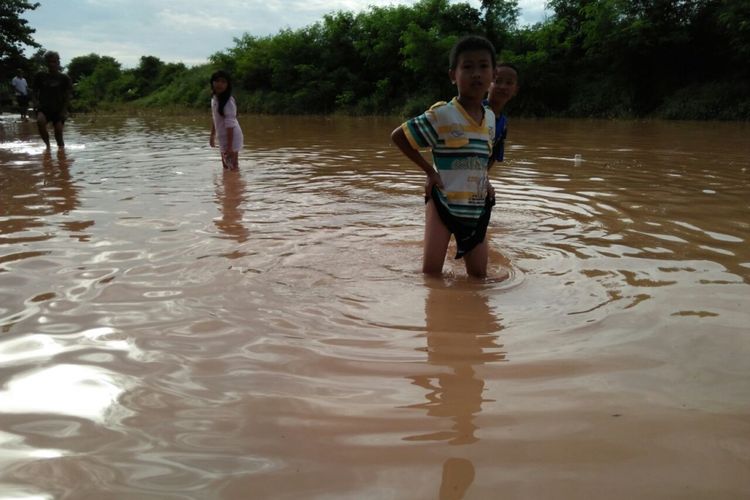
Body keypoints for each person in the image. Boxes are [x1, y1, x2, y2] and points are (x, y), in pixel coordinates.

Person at [391, 35, 498, 278]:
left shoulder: (490, 119)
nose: (476, 74)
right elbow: (399, 137)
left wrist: (487, 182)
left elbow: (481, 159)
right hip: (443, 203)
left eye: (483, 66)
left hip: (476, 209)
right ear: (453, 75)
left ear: (493, 75)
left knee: (479, 276)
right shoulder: (442, 115)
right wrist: (429, 171)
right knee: (431, 274)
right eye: (467, 67)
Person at [33, 51, 73, 148]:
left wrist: (64, 110)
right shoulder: (40, 76)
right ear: (46, 63)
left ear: (58, 62)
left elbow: (68, 96)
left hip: (58, 109)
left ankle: (62, 153)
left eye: (54, 62)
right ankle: (48, 147)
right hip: (43, 108)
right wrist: (35, 103)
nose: (52, 64)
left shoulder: (64, 78)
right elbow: (34, 92)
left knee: (58, 132)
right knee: (40, 122)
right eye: (49, 62)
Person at [209, 70, 243, 170]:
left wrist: (230, 147)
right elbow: (215, 117)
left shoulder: (228, 101)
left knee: (233, 167)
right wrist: (212, 135)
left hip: (232, 137)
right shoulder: (214, 98)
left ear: (228, 85)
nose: (220, 84)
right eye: (217, 81)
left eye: (223, 82)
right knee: (225, 166)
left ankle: (236, 185)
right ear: (212, 82)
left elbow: (230, 124)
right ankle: (228, 184)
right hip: (222, 136)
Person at [486, 63, 519, 164]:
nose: (503, 87)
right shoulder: (474, 110)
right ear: (487, 84)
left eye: (509, 83)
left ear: (515, 90)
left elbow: (493, 157)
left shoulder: (503, 124)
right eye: (497, 81)